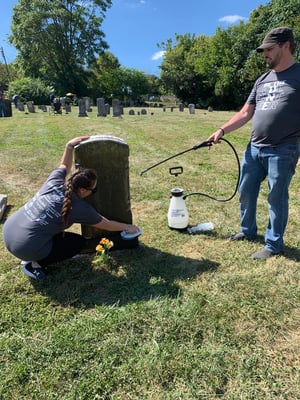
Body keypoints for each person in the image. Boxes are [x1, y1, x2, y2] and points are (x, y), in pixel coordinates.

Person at [207, 27, 300, 260]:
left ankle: (273, 245)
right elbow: (245, 112)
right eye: (263, 50)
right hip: (254, 148)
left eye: (269, 49)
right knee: (245, 191)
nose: (265, 54)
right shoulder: (262, 80)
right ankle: (247, 231)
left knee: (276, 197)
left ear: (286, 46)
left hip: (284, 149)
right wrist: (221, 130)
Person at [2, 136, 140, 279]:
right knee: (76, 243)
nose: (94, 191)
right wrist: (127, 227)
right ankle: (34, 264)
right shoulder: (78, 207)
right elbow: (107, 224)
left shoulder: (55, 181)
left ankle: (32, 250)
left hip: (9, 231)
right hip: (25, 247)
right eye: (94, 190)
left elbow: (64, 166)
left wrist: (69, 146)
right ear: (82, 191)